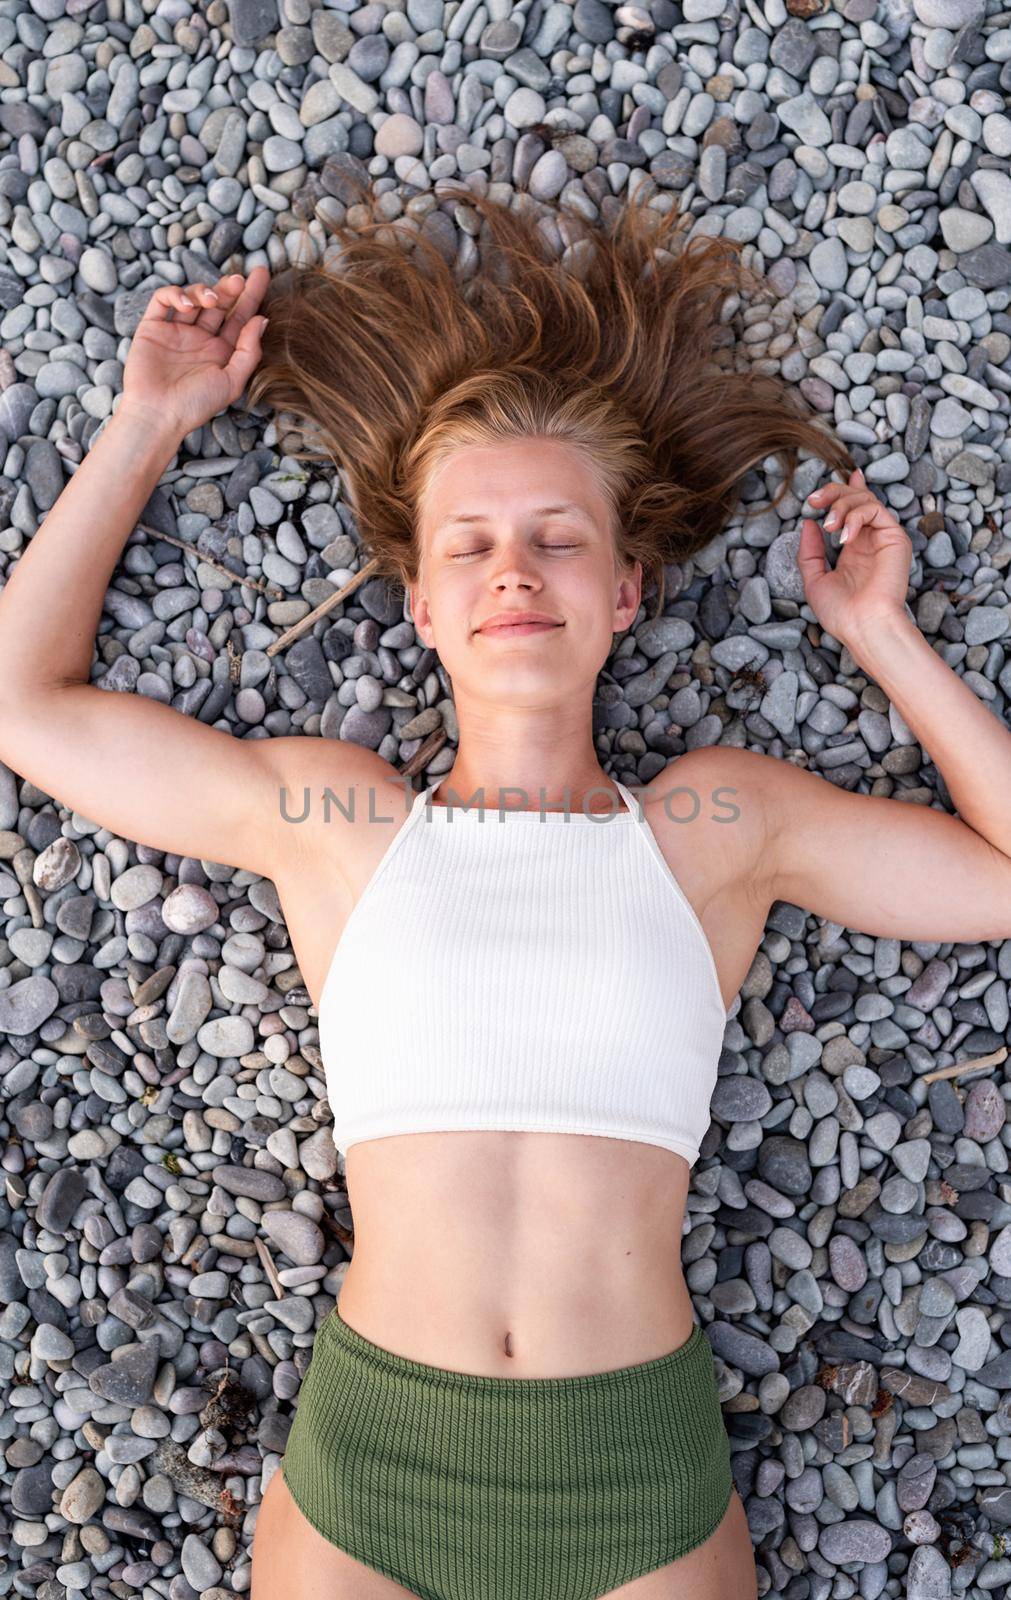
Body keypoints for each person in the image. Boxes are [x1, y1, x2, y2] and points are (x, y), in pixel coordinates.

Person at [1, 180, 1009, 1600]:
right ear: (420, 607)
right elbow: (23, 703)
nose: (513, 573)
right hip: (378, 1464)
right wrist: (148, 419)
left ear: (627, 591)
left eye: (559, 539)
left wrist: (881, 635)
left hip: (633, 1476)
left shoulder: (717, 830)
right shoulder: (336, 823)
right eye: (468, 546)